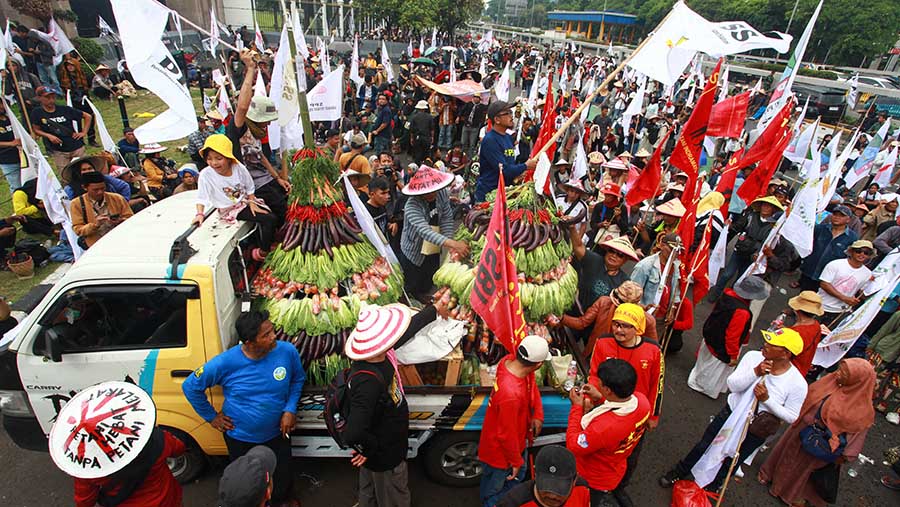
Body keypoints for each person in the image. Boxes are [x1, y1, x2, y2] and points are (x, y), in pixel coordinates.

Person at [660, 328, 807, 493]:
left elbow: (792, 417)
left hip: (755, 429)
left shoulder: (798, 384)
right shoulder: (753, 357)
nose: (766, 344)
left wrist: (767, 400)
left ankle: (710, 488)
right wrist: (756, 372)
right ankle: (680, 471)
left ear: (786, 354)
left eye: (772, 344)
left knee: (732, 461)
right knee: (705, 445)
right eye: (768, 340)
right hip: (729, 414)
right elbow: (732, 385)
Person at [182, 310, 305, 507]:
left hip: (278, 433)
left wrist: (290, 409)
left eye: (273, 330)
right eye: (266, 335)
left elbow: (297, 379)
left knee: (282, 474)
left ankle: (283, 500)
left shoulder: (286, 351)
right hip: (240, 437)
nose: (274, 337)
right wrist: (211, 417)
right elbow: (190, 386)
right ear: (249, 342)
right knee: (250, 483)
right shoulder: (225, 362)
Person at [343, 302, 450, 507]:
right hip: (384, 452)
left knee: (371, 486)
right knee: (393, 492)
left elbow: (406, 331)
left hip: (383, 445)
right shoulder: (367, 382)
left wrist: (434, 309)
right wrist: (369, 449)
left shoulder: (380, 355)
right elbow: (353, 432)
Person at [759, 359, 876, 507]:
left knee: (802, 471)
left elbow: (856, 436)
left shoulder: (862, 409)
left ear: (857, 381)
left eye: (844, 373)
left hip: (820, 444)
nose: (838, 374)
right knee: (786, 455)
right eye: (839, 369)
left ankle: (789, 494)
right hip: (801, 430)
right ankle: (771, 476)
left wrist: (843, 455)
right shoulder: (830, 381)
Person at [47, 381, 185, 507]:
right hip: (168, 500)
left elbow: (84, 500)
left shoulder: (88, 467)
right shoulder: (156, 439)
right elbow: (179, 448)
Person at [567, 358, 650, 507]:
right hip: (615, 467)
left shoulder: (604, 428)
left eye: (600, 382)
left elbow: (574, 444)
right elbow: (616, 405)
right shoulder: (643, 402)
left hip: (593, 477)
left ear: (608, 390)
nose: (597, 383)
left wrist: (577, 407)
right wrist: (599, 398)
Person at [478, 335, 549, 507]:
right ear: (538, 365)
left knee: (503, 484)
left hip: (514, 444)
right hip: (502, 455)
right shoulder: (511, 396)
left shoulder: (509, 361)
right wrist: (516, 462)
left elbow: (530, 382)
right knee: (494, 492)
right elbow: (505, 435)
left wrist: (537, 413)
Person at [226, 50, 290, 222]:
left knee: (287, 194)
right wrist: (251, 68)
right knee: (282, 211)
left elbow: (260, 156)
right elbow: (242, 107)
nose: (268, 125)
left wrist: (277, 178)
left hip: (265, 179)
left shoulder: (256, 133)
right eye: (265, 121)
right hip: (250, 186)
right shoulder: (239, 129)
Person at [192, 134, 277, 261]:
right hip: (229, 209)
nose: (214, 163)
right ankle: (262, 252)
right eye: (209, 159)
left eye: (218, 158)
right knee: (269, 219)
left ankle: (265, 243)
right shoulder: (206, 174)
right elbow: (201, 197)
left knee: (272, 210)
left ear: (228, 158)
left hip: (244, 202)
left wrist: (253, 203)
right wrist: (199, 214)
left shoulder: (238, 167)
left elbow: (249, 187)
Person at [688, 275, 770, 399]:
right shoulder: (742, 312)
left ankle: (698, 380)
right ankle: (703, 387)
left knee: (704, 363)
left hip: (711, 335)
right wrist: (733, 355)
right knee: (712, 372)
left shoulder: (727, 294)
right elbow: (732, 336)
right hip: (722, 346)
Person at [399, 165, 469, 302]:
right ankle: (412, 298)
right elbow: (425, 232)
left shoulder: (441, 193)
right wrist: (453, 243)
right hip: (414, 246)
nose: (432, 194)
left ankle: (425, 293)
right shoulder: (412, 206)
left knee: (429, 271)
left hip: (434, 243)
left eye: (434, 191)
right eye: (428, 192)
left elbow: (447, 217)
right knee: (413, 277)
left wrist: (449, 243)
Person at [707, 195, 783, 301]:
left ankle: (728, 298)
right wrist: (729, 225)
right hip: (740, 250)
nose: (765, 208)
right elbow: (738, 226)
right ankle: (715, 294)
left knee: (740, 280)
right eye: (764, 205)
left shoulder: (773, 226)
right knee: (727, 274)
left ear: (773, 210)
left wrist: (759, 254)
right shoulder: (750, 216)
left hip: (753, 256)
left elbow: (768, 241)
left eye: (769, 206)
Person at [557, 280, 658, 355]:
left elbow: (653, 348)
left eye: (621, 301)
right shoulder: (604, 302)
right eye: (616, 296)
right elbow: (582, 322)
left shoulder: (647, 320)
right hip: (596, 353)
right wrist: (561, 318)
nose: (616, 301)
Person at [475, 101, 537, 202]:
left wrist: (518, 174)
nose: (511, 116)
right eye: (507, 113)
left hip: (505, 192)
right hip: (489, 196)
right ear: (497, 120)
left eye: (510, 112)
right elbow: (504, 170)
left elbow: (509, 163)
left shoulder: (508, 138)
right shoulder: (490, 140)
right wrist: (525, 166)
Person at [497, 445, 591, 507]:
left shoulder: (582, 489)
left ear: (574, 480)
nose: (552, 495)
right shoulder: (512, 502)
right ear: (535, 476)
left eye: (561, 488)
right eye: (546, 486)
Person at [571, 228, 639, 311]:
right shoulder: (594, 260)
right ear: (606, 251)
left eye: (620, 255)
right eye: (611, 251)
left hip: (598, 321)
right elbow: (578, 247)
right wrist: (572, 228)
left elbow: (626, 305)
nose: (614, 255)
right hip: (574, 309)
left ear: (625, 260)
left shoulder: (624, 281)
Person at [30, 85, 92, 171]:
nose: (51, 100)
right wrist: (48, 135)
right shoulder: (37, 112)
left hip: (76, 146)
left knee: (84, 169)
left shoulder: (64, 109)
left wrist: (84, 132)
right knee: (65, 173)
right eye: (47, 98)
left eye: (53, 97)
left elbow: (87, 116)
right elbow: (36, 129)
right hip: (59, 150)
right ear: (40, 98)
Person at [797, 205, 858, 292]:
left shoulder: (852, 238)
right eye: (835, 214)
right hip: (809, 271)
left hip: (828, 278)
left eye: (841, 216)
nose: (837, 217)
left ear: (848, 220)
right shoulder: (820, 229)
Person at [70, 171, 134, 248]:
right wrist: (95, 225)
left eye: (102, 188)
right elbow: (78, 229)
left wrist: (121, 221)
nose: (100, 192)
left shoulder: (117, 198)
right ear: (85, 188)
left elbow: (131, 219)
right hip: (95, 245)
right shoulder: (76, 204)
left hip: (120, 241)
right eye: (95, 190)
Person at [816, 240, 873, 324]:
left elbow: (862, 292)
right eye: (858, 251)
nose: (862, 254)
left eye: (866, 253)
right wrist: (844, 298)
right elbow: (824, 284)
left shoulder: (868, 273)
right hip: (821, 305)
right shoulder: (835, 264)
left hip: (841, 311)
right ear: (852, 251)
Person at [783, 291, 826, 377]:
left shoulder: (796, 332)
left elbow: (783, 354)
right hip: (802, 368)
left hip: (788, 370)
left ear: (797, 310)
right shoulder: (816, 325)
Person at [630, 232, 679, 308]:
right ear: (662, 246)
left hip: (663, 316)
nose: (675, 253)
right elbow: (631, 294)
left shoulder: (676, 268)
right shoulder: (645, 266)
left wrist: (672, 308)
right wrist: (643, 308)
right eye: (672, 249)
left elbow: (675, 293)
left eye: (678, 250)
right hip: (645, 314)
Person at [0, 107, 23, 195]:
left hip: (21, 155)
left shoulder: (10, 118)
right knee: (16, 186)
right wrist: (10, 143)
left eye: (1, 103)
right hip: (7, 160)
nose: (1, 107)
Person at [459, 93, 487, 157]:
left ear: (480, 99)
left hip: (474, 127)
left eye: (477, 97)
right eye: (475, 97)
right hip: (466, 125)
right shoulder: (469, 104)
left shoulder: (481, 107)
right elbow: (462, 111)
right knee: (463, 141)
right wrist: (459, 117)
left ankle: (470, 156)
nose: (476, 98)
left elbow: (485, 113)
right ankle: (463, 155)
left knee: (472, 143)